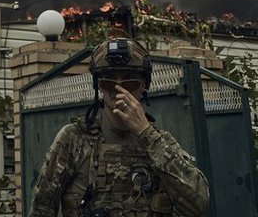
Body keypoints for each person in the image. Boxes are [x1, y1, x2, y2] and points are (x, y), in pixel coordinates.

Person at [27, 38, 210, 217]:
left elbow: (198, 204)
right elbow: (41, 208)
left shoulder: (160, 143)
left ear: (142, 87)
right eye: (109, 82)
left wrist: (145, 133)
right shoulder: (74, 139)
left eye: (130, 82)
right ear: (99, 86)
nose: (119, 91)